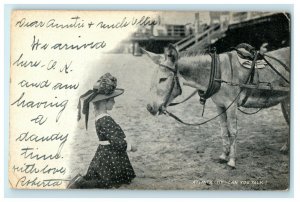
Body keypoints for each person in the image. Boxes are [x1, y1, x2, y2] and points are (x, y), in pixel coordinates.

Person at [68, 73, 136, 189]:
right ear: (104, 102)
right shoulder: (105, 119)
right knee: (107, 181)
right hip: (110, 154)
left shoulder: (100, 117)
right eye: (112, 100)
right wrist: (130, 146)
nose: (114, 102)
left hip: (104, 152)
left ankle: (82, 181)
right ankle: (81, 184)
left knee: (103, 176)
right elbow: (116, 142)